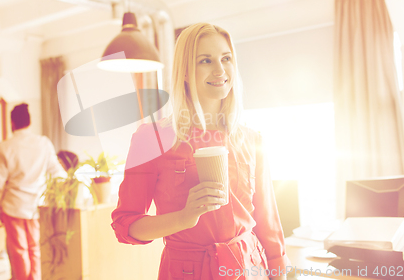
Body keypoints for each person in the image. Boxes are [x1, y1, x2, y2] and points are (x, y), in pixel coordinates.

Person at [111, 23, 290, 280]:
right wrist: (185, 217)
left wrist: (280, 272)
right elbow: (125, 225)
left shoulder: (251, 139)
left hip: (249, 269)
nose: (220, 70)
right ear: (184, 71)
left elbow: (268, 222)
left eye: (226, 58)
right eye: (205, 60)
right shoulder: (151, 139)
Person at [0, 103, 66, 280]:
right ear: (30, 122)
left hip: (13, 206)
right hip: (36, 205)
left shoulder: (5, 147)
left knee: (19, 251)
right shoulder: (43, 143)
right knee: (34, 248)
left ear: (12, 123)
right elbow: (58, 172)